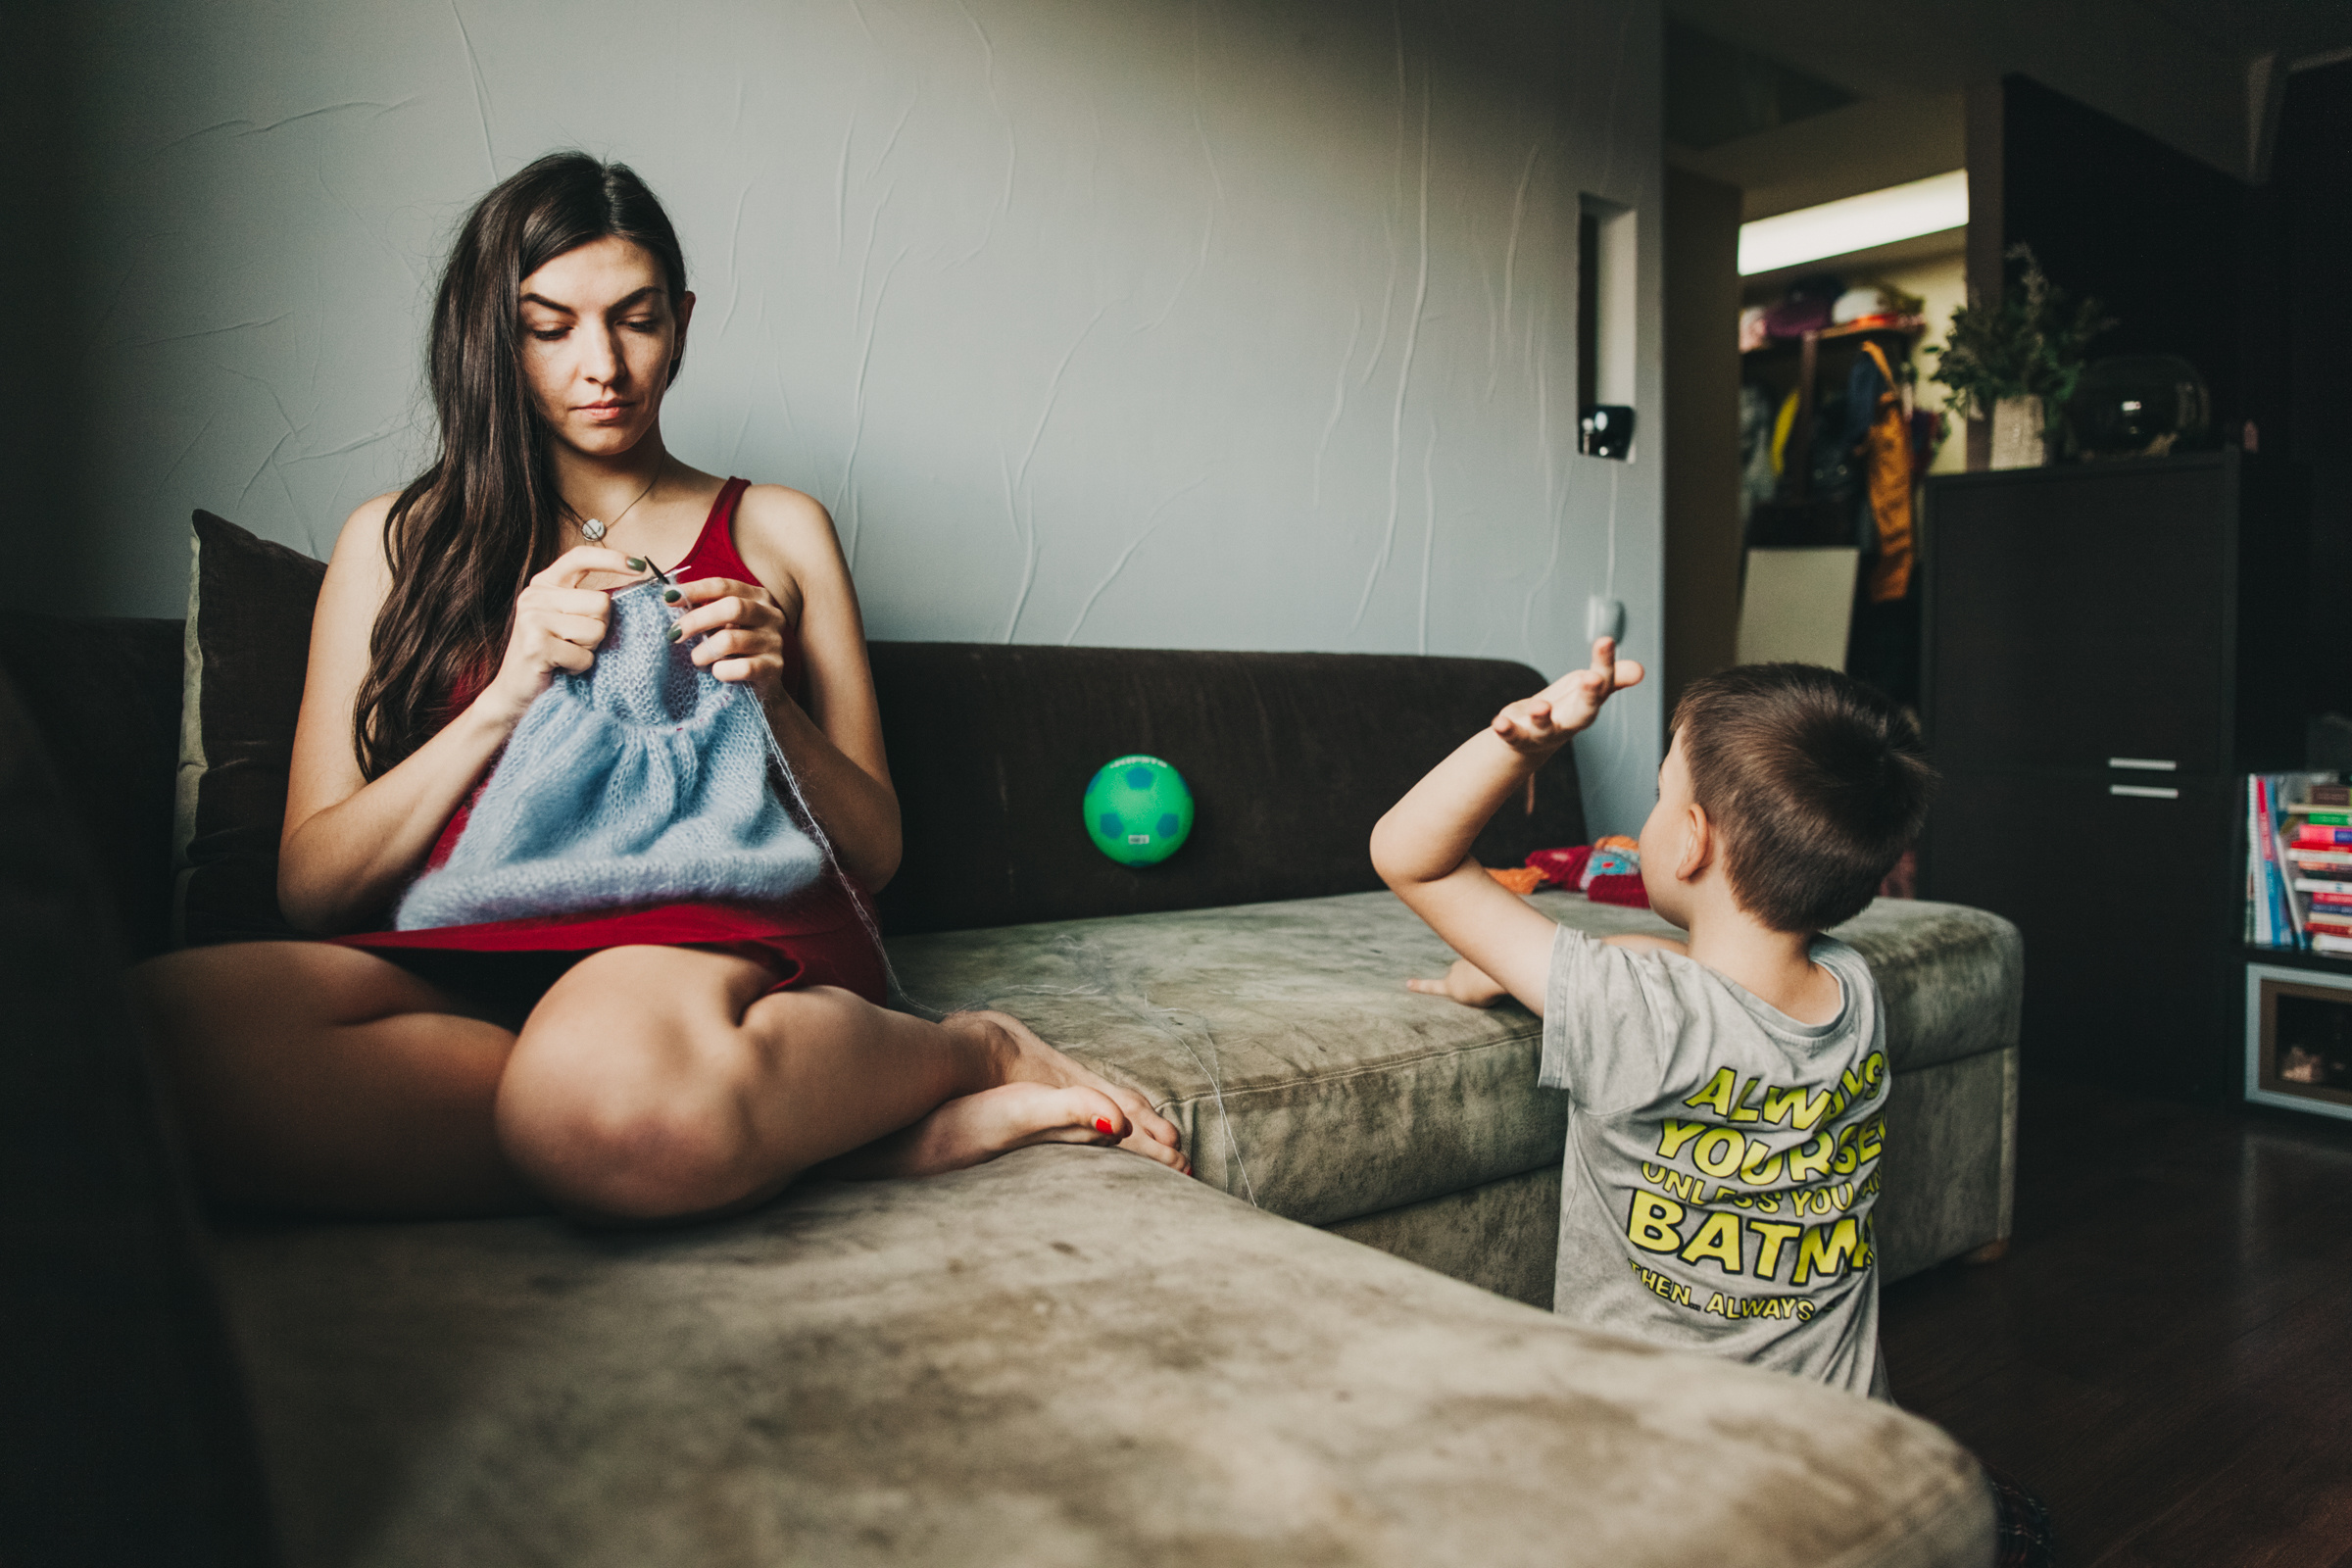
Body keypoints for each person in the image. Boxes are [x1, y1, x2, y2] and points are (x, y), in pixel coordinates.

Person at [134, 152, 1185, 1221]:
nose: (603, 365)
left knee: (605, 1092)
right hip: (467, 955)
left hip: (704, 947)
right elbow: (312, 887)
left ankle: (964, 1051)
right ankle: (709, 1131)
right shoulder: (395, 540)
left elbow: (875, 849)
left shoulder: (779, 526)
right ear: (493, 335)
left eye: (635, 319)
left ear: (679, 321)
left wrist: (770, 699)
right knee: (137, 1046)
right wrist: (507, 693)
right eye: (551, 327)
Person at [1368, 646, 1935, 1397]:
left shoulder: (1627, 1009)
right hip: (1841, 1423)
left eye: (1660, 792)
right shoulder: (1854, 992)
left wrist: (1519, 749)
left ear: (1692, 840)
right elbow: (1697, 975)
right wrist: (1568, 962)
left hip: (1661, 1440)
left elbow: (1411, 858)